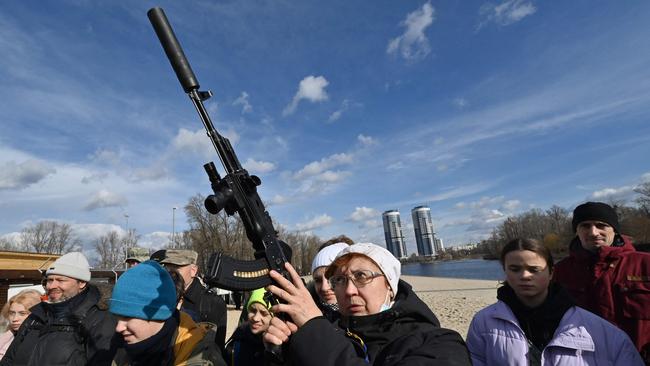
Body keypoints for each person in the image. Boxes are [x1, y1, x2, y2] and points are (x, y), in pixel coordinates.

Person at [263, 242, 471, 365]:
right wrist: (284, 352)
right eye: (340, 281)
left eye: (361, 276)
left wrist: (314, 329)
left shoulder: (440, 343)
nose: (349, 291)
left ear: (390, 285)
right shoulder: (331, 334)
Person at [467, 238, 643, 365]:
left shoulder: (600, 330)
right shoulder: (483, 322)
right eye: (515, 269)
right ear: (505, 272)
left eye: (534, 269)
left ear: (551, 273)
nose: (525, 276)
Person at [553, 202, 650, 361]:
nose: (593, 232)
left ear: (614, 230)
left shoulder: (645, 264)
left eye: (601, 225)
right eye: (585, 226)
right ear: (576, 231)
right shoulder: (560, 272)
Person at [0, 252, 117, 366]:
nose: (51, 286)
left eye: (61, 280)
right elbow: (9, 359)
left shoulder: (98, 319)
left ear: (81, 283)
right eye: (50, 280)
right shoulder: (36, 316)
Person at [109, 260, 226, 366]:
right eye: (117, 317)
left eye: (128, 317)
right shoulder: (124, 350)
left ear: (159, 315)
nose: (119, 327)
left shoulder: (201, 359)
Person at [157, 249, 228, 350]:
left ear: (193, 271)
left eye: (176, 267)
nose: (170, 273)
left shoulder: (213, 303)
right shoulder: (158, 298)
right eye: (167, 268)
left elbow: (216, 348)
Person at [224, 288, 273, 366]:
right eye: (253, 310)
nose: (255, 318)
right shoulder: (236, 344)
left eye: (264, 313)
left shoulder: (286, 350)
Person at [309, 242, 349, 322]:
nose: (324, 287)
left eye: (334, 278)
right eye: (318, 280)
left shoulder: (372, 319)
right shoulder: (307, 316)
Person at [0, 290, 42, 360]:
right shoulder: (7, 336)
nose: (14, 319)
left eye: (22, 313)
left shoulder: (42, 341)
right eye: (12, 313)